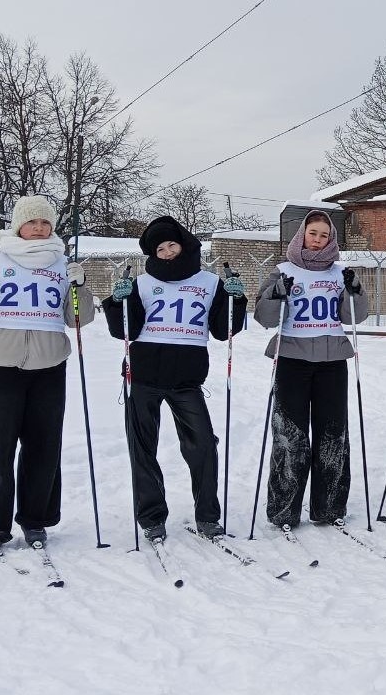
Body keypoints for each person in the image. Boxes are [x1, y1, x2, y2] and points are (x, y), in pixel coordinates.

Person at [0, 196, 93, 553]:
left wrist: (80, 287)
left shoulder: (63, 263)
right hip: (0, 367)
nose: (38, 228)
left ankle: (36, 519)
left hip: (48, 368)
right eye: (32, 222)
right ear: (19, 225)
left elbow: (78, 319)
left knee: (43, 447)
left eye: (45, 222)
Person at [104, 216, 246, 542]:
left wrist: (235, 300)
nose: (167, 252)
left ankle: (207, 516)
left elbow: (223, 330)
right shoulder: (142, 283)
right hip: (143, 376)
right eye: (160, 249)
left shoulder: (209, 282)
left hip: (186, 380)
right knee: (143, 448)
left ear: (184, 244)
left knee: (203, 445)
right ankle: (152, 517)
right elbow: (125, 330)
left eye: (172, 245)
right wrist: (117, 301)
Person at [255, 211, 369, 529]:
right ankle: (284, 509)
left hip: (332, 362)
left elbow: (354, 317)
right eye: (312, 233)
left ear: (331, 239)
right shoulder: (283, 270)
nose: (318, 240)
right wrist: (276, 295)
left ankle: (329, 507)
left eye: (324, 235)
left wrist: (355, 290)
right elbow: (264, 317)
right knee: (290, 436)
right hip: (293, 359)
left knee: (333, 435)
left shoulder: (340, 272)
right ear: (302, 235)